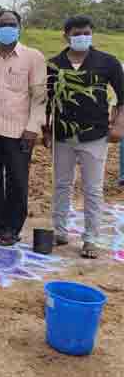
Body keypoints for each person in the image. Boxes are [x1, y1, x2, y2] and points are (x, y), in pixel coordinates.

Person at [46, 16, 124, 259]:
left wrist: (119, 126)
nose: (82, 37)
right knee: (61, 185)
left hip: (95, 135)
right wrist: (46, 131)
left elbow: (123, 97)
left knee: (92, 188)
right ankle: (59, 231)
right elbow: (47, 101)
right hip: (63, 137)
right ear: (66, 35)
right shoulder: (54, 64)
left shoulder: (107, 62)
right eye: (77, 33)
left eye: (86, 33)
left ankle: (91, 238)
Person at [0, 10, 46, 246]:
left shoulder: (33, 57)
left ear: (19, 27)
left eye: (12, 24)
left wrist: (33, 127)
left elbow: (39, 97)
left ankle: (12, 227)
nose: (7, 28)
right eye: (3, 24)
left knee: (17, 179)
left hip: (19, 130)